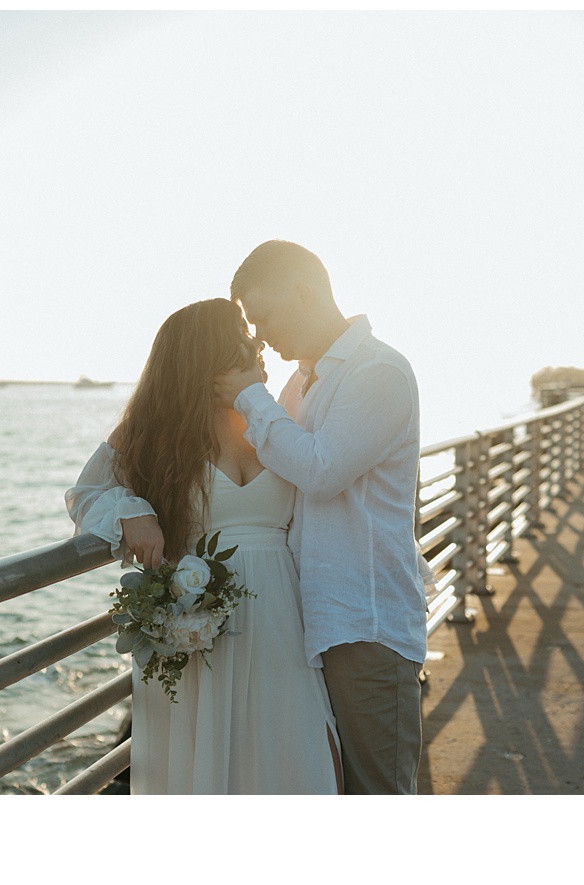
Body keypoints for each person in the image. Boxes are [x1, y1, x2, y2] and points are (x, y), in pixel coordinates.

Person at [65, 298, 342, 794]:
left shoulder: (272, 418)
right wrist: (131, 509)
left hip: (282, 619)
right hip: (197, 631)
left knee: (296, 754)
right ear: (207, 351)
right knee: (203, 766)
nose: (258, 344)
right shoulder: (152, 433)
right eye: (243, 334)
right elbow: (85, 495)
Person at [213, 240, 428, 794]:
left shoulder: (379, 371)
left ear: (303, 292)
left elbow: (321, 469)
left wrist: (249, 397)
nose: (259, 335)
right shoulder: (298, 383)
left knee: (373, 796)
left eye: (263, 316)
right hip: (303, 628)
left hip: (364, 629)